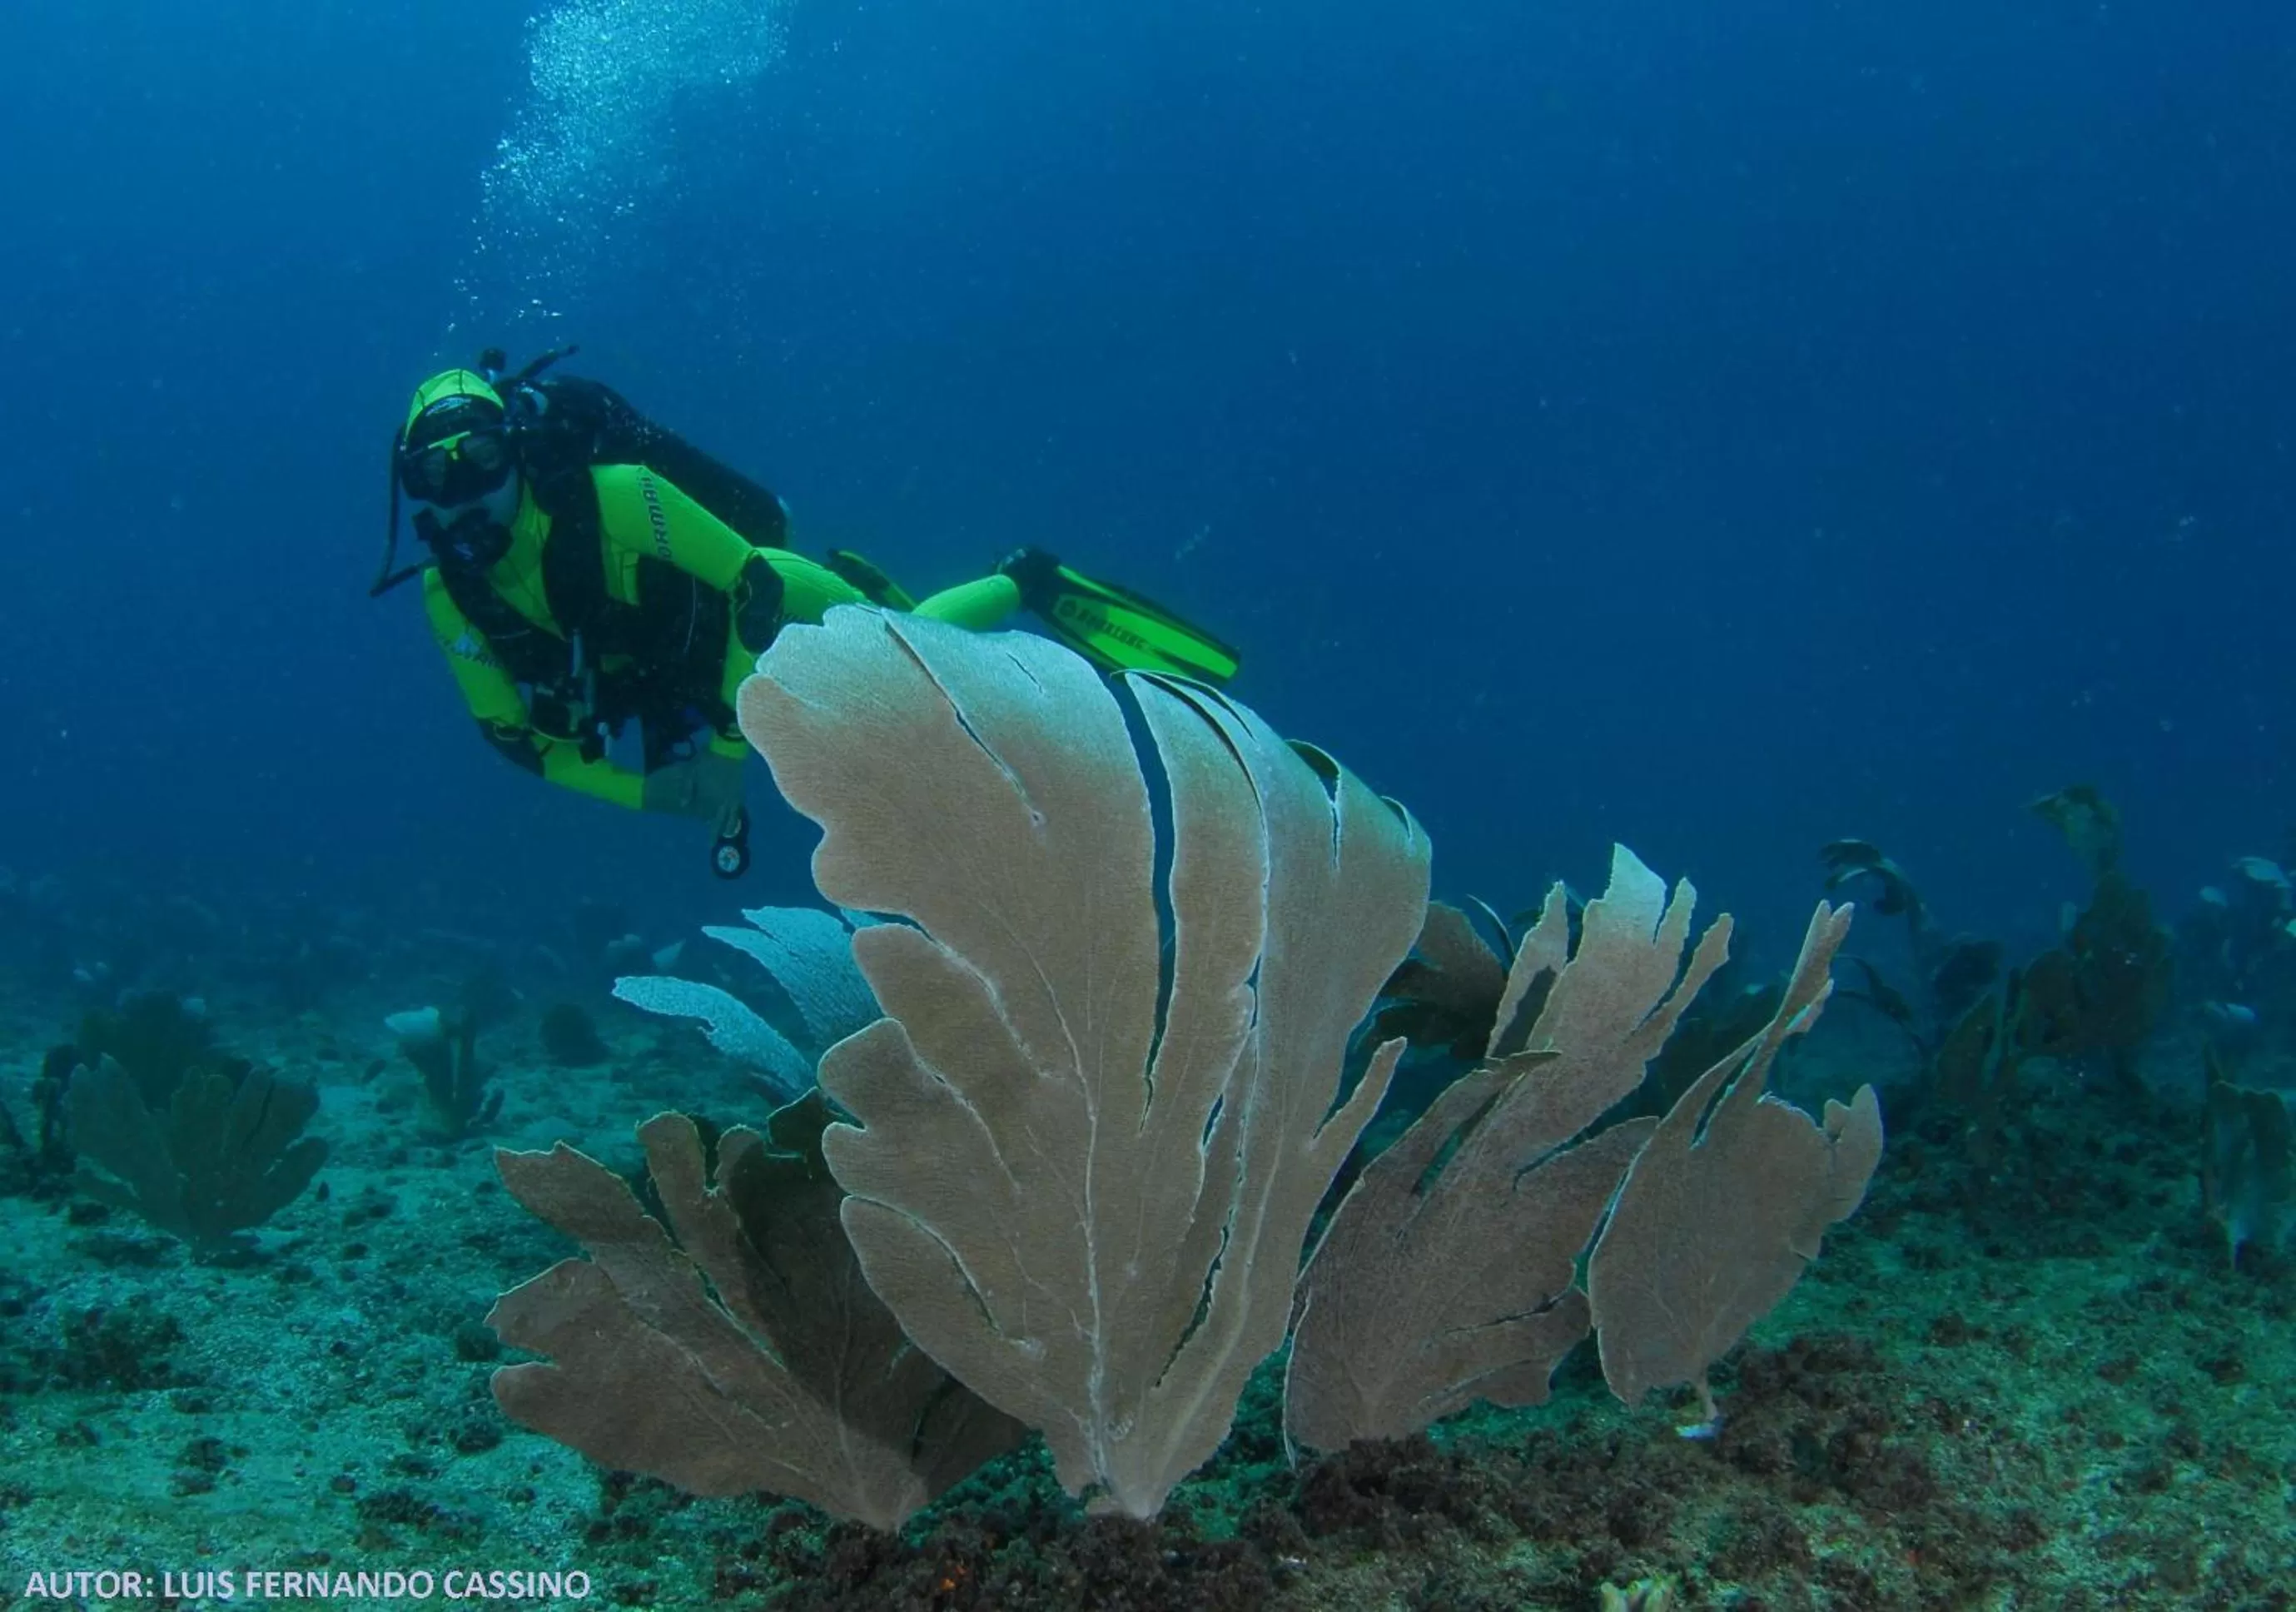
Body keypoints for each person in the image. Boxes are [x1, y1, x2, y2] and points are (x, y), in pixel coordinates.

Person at [374, 349, 1239, 877]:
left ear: (518, 453)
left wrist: (720, 752)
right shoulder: (448, 593)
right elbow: (516, 739)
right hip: (675, 671)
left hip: (770, 605)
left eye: (480, 459)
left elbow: (755, 587)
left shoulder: (620, 496)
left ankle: (1024, 579)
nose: (464, 494)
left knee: (913, 659)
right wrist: (649, 793)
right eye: (434, 476)